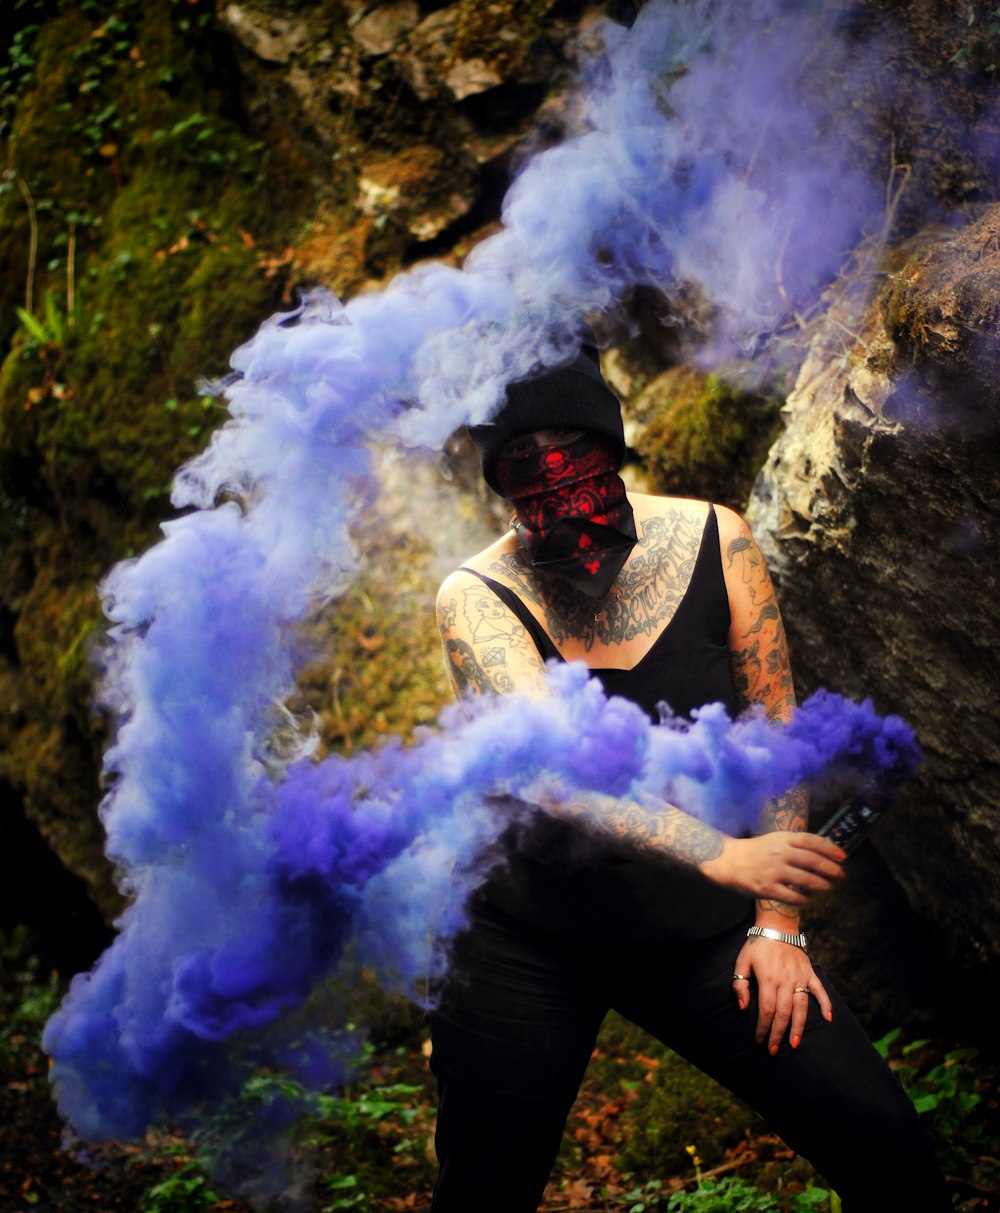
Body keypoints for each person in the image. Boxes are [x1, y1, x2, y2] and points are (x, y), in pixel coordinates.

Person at [428, 343, 950, 1212]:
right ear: (502, 485)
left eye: (575, 466)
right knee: (485, 1188)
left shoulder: (718, 537)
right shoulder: (475, 596)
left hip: (701, 932)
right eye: (529, 480)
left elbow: (773, 731)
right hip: (528, 938)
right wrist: (722, 854)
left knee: (887, 1147)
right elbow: (551, 771)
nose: (560, 503)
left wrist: (777, 923)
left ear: (610, 449)